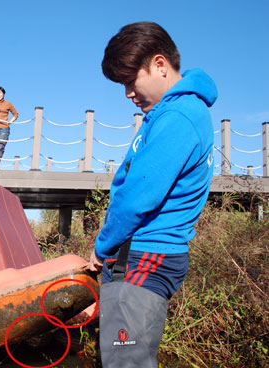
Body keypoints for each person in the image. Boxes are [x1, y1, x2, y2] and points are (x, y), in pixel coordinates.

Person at [87, 22, 217, 367]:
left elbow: (137, 197)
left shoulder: (178, 115)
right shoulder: (168, 114)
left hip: (149, 253)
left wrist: (102, 246)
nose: (128, 92)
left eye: (130, 80)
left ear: (160, 65)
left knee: (126, 360)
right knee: (120, 354)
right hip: (141, 255)